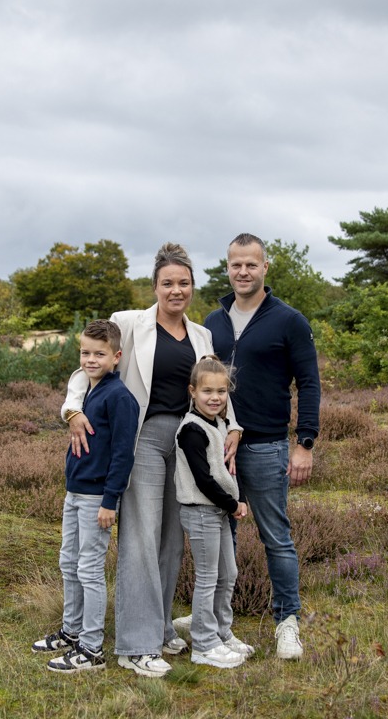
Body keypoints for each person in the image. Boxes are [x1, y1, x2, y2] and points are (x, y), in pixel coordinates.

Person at [63, 243, 238, 678]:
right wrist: (72, 410)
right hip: (141, 438)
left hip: (184, 442)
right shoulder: (129, 323)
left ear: (192, 287)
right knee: (140, 536)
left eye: (184, 283)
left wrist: (232, 425)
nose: (175, 291)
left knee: (170, 541)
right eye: (167, 283)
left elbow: (210, 386)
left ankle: (160, 629)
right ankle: (135, 645)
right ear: (155, 286)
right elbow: (88, 364)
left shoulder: (202, 336)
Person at [203, 232, 320, 661]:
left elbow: (309, 383)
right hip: (220, 448)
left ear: (265, 267)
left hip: (268, 446)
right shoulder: (211, 324)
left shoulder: (289, 320)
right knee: (221, 536)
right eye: (236, 264)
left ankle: (287, 624)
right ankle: (216, 621)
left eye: (251, 264)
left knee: (277, 539)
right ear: (228, 266)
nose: (243, 272)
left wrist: (304, 442)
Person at [33, 320, 138, 673]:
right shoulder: (86, 392)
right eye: (85, 353)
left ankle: (92, 649)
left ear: (116, 356)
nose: (91, 359)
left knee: (90, 569)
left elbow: (124, 454)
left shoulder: (120, 397)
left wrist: (111, 500)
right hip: (74, 492)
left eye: (99, 353)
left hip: (97, 498)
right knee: (69, 563)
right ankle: (72, 630)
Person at [174, 355, 254, 669]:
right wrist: (232, 504)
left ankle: (222, 632)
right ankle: (204, 644)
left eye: (221, 392)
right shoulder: (192, 430)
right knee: (207, 579)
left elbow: (226, 469)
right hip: (202, 511)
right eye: (207, 391)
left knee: (228, 574)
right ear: (193, 391)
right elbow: (203, 479)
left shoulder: (219, 423)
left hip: (218, 511)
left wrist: (240, 498)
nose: (215, 397)